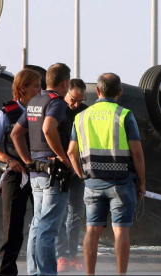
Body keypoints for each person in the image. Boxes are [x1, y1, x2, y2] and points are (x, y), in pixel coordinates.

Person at [68, 73, 146, 275]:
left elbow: (70, 152)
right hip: (121, 183)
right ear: (119, 92)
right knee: (121, 231)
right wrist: (142, 182)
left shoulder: (81, 117)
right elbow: (136, 152)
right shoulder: (125, 115)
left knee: (92, 231)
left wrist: (81, 176)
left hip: (92, 183)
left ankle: (90, 273)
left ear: (99, 91)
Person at [11, 62, 72, 275]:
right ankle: (46, 273)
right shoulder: (57, 102)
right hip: (54, 174)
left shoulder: (35, 101)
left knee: (37, 225)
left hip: (36, 172)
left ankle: (34, 271)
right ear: (65, 82)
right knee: (48, 228)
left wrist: (28, 161)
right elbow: (48, 128)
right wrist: (63, 158)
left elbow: (16, 134)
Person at [0, 68, 42, 275]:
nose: (40, 90)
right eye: (36, 86)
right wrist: (9, 161)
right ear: (22, 88)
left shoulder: (42, 111)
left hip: (39, 173)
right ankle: (7, 271)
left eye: (40, 85)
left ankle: (39, 269)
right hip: (15, 175)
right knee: (13, 229)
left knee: (42, 224)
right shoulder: (5, 113)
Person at [55, 79, 87, 272]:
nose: (75, 104)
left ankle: (73, 253)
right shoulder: (57, 108)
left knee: (76, 212)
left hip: (78, 169)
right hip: (59, 166)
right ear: (65, 92)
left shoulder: (85, 111)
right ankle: (61, 255)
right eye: (73, 100)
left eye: (79, 101)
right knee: (60, 212)